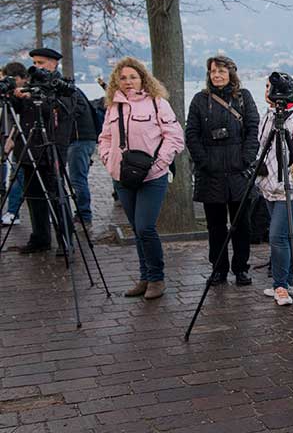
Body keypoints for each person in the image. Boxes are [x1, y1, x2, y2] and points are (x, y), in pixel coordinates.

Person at [97, 57, 184, 300]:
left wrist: (159, 163)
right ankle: (145, 277)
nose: (128, 82)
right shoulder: (113, 106)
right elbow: (104, 137)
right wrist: (107, 159)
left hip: (152, 175)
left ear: (143, 78)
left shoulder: (157, 103)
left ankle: (157, 278)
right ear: (116, 80)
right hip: (122, 176)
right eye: (123, 78)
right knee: (137, 228)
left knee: (146, 227)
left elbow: (175, 137)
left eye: (133, 77)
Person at [185, 56, 260, 286]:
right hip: (211, 173)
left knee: (242, 224)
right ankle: (218, 269)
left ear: (231, 73)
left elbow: (252, 128)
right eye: (213, 71)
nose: (216, 75)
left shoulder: (244, 98)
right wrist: (204, 162)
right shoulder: (200, 100)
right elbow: (192, 134)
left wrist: (246, 159)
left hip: (238, 171)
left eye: (221, 71)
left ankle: (241, 268)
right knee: (215, 226)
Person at [9, 48, 74, 254]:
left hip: (51, 149)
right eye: (35, 63)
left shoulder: (62, 86)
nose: (37, 67)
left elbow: (61, 113)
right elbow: (17, 111)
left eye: (41, 63)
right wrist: (15, 96)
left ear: (54, 64)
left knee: (57, 196)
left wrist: (33, 97)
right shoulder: (31, 85)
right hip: (28, 150)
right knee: (34, 197)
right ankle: (40, 238)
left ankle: (65, 240)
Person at [256, 78, 293, 306]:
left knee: (277, 236)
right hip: (268, 184)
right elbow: (262, 146)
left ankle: (281, 285)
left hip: (290, 187)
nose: (269, 91)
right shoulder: (268, 115)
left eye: (272, 87)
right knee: (290, 234)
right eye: (266, 87)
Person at [66, 78, 100, 226]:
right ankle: (83, 213)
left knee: (78, 179)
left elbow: (71, 114)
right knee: (80, 178)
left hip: (80, 140)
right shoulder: (76, 92)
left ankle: (83, 214)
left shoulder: (70, 95)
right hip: (86, 139)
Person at [1, 62, 28, 226]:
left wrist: (11, 137)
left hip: (27, 139)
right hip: (17, 138)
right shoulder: (10, 94)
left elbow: (21, 119)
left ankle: (13, 212)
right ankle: (12, 211)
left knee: (18, 175)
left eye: (13, 79)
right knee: (17, 175)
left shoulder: (26, 93)